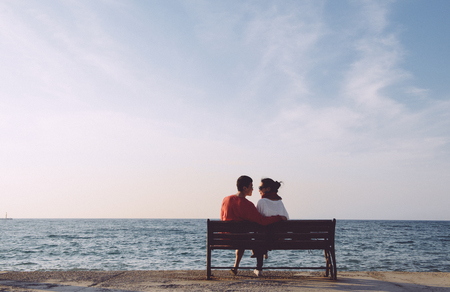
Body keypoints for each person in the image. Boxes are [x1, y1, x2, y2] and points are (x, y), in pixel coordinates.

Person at [221, 175, 287, 277]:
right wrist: (278, 217)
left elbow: (222, 217)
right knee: (247, 235)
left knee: (242, 234)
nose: (253, 189)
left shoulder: (226, 200)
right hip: (241, 239)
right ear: (245, 188)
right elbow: (262, 221)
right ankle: (251, 255)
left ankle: (236, 267)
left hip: (226, 237)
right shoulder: (248, 205)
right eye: (251, 186)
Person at [252, 178, 290, 260]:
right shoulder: (280, 202)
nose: (259, 190)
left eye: (260, 188)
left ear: (268, 189)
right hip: (278, 238)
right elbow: (286, 218)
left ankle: (259, 268)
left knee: (260, 233)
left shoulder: (262, 202)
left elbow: (258, 220)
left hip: (264, 238)